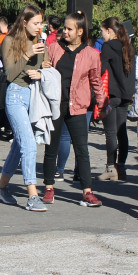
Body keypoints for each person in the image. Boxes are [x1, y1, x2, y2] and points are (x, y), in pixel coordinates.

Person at [41, 11, 105, 207]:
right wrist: (44, 67)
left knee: (82, 150)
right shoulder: (53, 49)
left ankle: (87, 191)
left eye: (70, 29)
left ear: (80, 31)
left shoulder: (92, 54)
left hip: (78, 106)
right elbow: (44, 75)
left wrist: (102, 104)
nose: (65, 32)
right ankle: (49, 187)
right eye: (64, 28)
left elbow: (96, 81)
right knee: (51, 148)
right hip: (56, 105)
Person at [0, 5, 48, 212]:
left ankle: (2, 188)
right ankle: (32, 195)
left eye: (41, 23)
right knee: (29, 144)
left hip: (33, 96)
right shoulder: (9, 41)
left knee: (19, 145)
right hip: (15, 95)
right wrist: (27, 55)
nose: (39, 27)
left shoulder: (40, 42)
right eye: (35, 23)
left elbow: (45, 67)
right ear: (24, 23)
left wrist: (42, 71)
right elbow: (9, 75)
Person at [99, 17, 136, 181]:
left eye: (102, 31)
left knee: (110, 133)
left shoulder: (108, 47)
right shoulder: (128, 46)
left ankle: (110, 167)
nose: (101, 35)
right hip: (126, 95)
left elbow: (101, 69)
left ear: (109, 30)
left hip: (112, 94)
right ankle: (121, 167)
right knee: (122, 132)